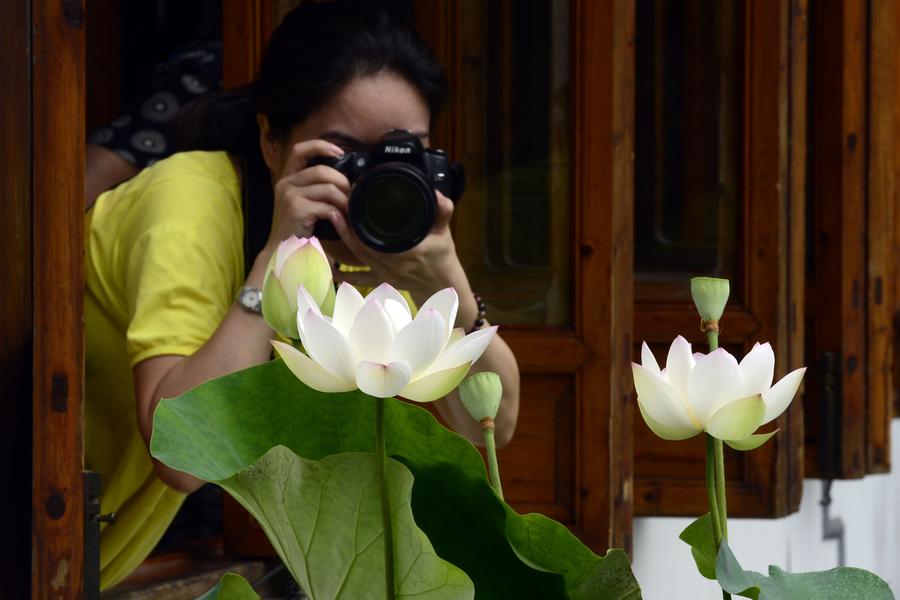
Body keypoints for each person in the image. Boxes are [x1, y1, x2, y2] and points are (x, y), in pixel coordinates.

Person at [85, 1, 520, 590]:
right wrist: (275, 257)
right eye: (344, 155)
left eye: (403, 151)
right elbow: (182, 458)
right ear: (271, 140)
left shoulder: (386, 240)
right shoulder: (186, 204)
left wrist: (448, 284)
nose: (371, 183)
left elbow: (487, 426)